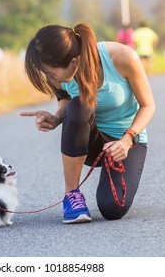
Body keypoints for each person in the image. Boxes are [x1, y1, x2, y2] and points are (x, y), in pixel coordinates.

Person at [20, 22, 155, 224]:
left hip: (125, 142)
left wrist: (127, 140)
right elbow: (66, 100)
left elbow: (148, 106)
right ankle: (71, 195)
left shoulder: (123, 57)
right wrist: (57, 117)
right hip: (90, 141)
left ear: (74, 62)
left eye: (51, 74)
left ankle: (113, 176)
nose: (50, 80)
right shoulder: (60, 70)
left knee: (112, 209)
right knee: (79, 106)